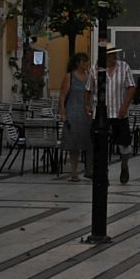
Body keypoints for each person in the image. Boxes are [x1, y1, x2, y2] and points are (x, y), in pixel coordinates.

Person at [100, 45, 136, 185]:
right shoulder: (97, 68)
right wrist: (87, 105)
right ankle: (104, 172)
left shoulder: (124, 67)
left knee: (124, 143)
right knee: (102, 143)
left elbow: (131, 87)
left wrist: (125, 106)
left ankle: (124, 166)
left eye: (115, 54)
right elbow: (89, 88)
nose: (114, 57)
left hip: (119, 112)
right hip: (103, 112)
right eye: (111, 54)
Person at [60, 52, 92, 183]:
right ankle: (74, 172)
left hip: (87, 113)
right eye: (85, 62)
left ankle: (89, 170)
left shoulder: (90, 76)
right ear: (78, 62)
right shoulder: (70, 77)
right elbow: (62, 97)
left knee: (89, 142)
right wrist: (63, 114)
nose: (86, 64)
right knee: (74, 144)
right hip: (73, 112)